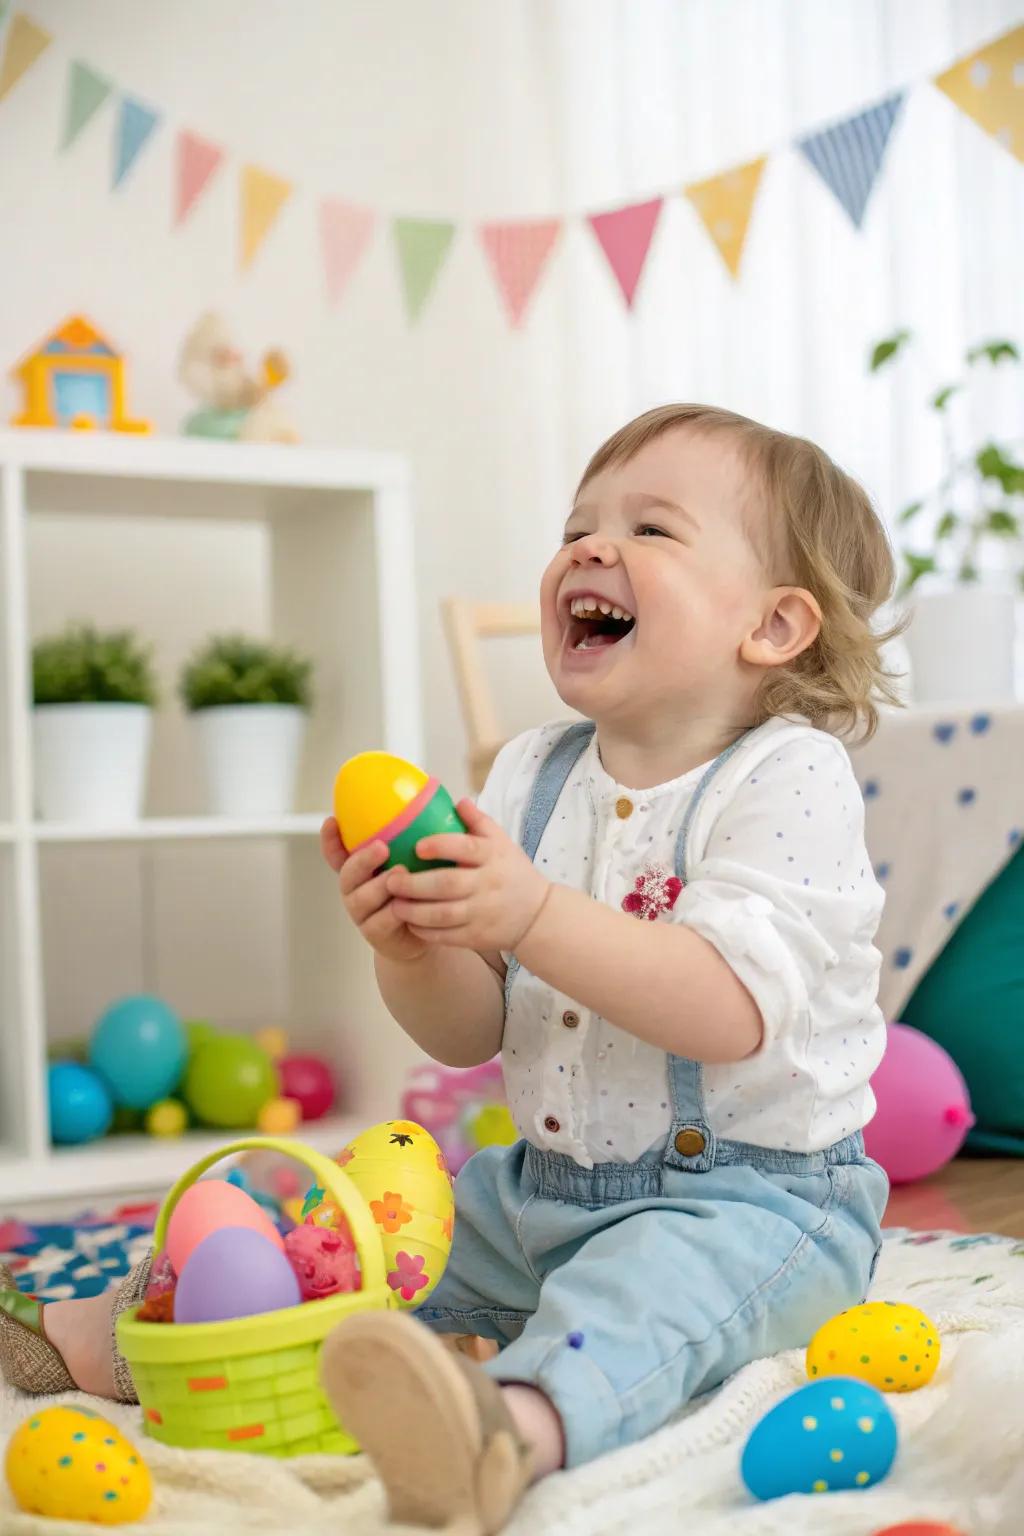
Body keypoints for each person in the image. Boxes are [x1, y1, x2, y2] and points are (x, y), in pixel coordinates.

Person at [0, 404, 894, 1536]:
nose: (588, 547)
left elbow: (725, 1011)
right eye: (578, 524)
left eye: (652, 529)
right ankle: (145, 1333)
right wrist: (409, 947)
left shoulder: (789, 777)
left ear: (772, 624)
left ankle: (504, 1430)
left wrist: (529, 909)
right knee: (350, 1242)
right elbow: (472, 1033)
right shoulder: (532, 770)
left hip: (753, 1207)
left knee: (638, 1306)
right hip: (538, 1191)